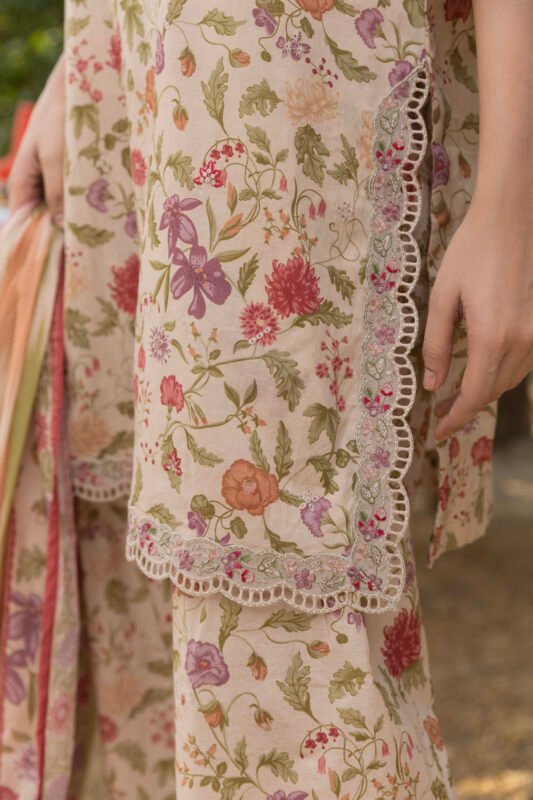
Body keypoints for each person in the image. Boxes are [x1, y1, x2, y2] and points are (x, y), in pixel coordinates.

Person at [2, 1, 532, 797]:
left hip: (278, 110)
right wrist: (77, 63)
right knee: (128, 543)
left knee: (277, 572)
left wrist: (509, 205)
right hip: (132, 93)